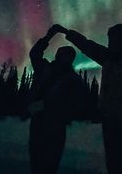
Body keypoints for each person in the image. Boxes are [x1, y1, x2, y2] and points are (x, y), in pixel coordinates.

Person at [54, 23, 122, 174]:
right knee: (113, 164)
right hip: (109, 120)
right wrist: (68, 33)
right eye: (109, 39)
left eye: (113, 39)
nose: (110, 42)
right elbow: (88, 45)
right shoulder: (109, 57)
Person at [28, 25, 83, 174]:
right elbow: (35, 53)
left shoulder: (73, 80)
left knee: (50, 164)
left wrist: (49, 106)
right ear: (58, 56)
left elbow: (76, 104)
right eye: (63, 55)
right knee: (37, 162)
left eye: (68, 56)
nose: (64, 59)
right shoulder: (45, 68)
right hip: (40, 122)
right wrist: (48, 36)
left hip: (55, 124)